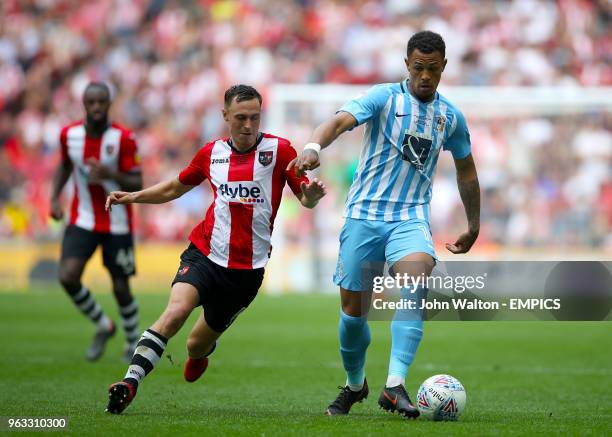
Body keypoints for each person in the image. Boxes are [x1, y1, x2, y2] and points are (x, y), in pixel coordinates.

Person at [288, 31, 481, 417]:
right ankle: (355, 384)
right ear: (407, 65)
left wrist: (474, 224)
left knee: (416, 277)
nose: (425, 76)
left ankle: (394, 385)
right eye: (418, 68)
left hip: (409, 217)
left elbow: (467, 172)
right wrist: (312, 148)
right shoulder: (383, 97)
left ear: (444, 66)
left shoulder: (450, 117)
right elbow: (339, 122)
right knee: (352, 313)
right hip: (363, 214)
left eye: (432, 69)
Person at [104, 84, 326, 414]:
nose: (248, 125)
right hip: (204, 253)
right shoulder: (211, 154)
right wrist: (133, 197)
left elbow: (304, 197)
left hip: (245, 274)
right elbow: (175, 187)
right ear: (225, 116)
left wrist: (312, 196)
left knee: (195, 345)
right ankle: (129, 382)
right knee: (175, 313)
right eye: (240, 118)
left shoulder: (280, 151)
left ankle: (200, 354)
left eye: (254, 117)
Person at [50, 82, 143, 362]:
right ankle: (104, 325)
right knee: (67, 276)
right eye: (91, 103)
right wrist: (54, 198)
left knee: (120, 287)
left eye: (102, 102)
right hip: (83, 218)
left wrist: (109, 173)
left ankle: (131, 343)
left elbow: (137, 181)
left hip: (118, 223)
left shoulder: (124, 139)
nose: (97, 108)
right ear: (84, 104)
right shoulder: (70, 135)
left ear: (109, 104)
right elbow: (65, 165)